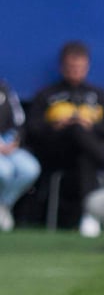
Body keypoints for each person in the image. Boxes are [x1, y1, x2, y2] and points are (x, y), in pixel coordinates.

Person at [26, 41, 104, 238]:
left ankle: (89, 216)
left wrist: (91, 126)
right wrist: (56, 125)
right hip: (57, 152)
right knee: (75, 129)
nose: (75, 71)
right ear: (62, 67)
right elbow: (32, 129)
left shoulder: (98, 95)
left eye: (79, 67)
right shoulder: (47, 94)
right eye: (71, 67)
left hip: (90, 153)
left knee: (85, 152)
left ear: (87, 67)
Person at [0, 79, 40, 232]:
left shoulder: (4, 88)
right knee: (4, 172)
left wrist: (14, 140)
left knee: (30, 169)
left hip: (8, 144)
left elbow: (19, 121)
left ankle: (4, 204)